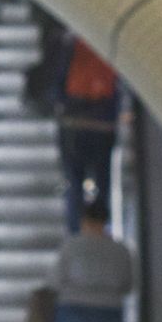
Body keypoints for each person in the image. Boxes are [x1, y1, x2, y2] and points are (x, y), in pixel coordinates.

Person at [51, 35, 121, 233]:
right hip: (103, 124)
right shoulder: (112, 43)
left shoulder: (73, 42)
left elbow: (57, 84)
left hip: (73, 124)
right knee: (102, 181)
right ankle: (100, 230)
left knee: (74, 181)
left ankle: (76, 233)